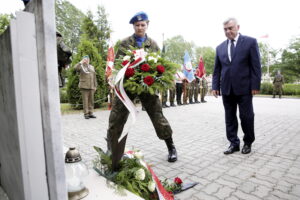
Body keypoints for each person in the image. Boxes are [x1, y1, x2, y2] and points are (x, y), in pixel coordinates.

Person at [106, 11, 177, 162]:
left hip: (147, 86)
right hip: (127, 87)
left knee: (158, 117)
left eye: (142, 25)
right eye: (137, 25)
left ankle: (171, 147)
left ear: (147, 25)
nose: (140, 28)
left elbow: (159, 66)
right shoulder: (125, 43)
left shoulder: (153, 44)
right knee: (116, 117)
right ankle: (110, 149)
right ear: (133, 26)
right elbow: (118, 65)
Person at [212, 18, 261, 155]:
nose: (228, 31)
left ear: (238, 27)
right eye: (225, 29)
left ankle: (248, 142)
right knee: (230, 118)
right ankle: (234, 143)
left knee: (247, 117)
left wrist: (255, 84)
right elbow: (217, 70)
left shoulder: (250, 42)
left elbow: (256, 66)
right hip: (227, 89)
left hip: (245, 88)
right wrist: (215, 86)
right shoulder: (220, 47)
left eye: (230, 28)